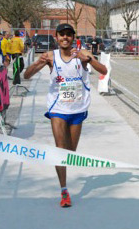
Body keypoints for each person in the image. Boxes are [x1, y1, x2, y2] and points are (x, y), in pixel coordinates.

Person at [23, 23, 107, 208]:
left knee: (70, 153)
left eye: (68, 35)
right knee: (60, 151)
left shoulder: (82, 54)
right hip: (57, 109)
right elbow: (26, 76)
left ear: (72, 37)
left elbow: (104, 71)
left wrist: (90, 60)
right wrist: (38, 63)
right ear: (56, 37)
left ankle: (63, 178)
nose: (65, 38)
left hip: (77, 110)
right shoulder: (50, 57)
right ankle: (64, 190)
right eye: (61, 35)